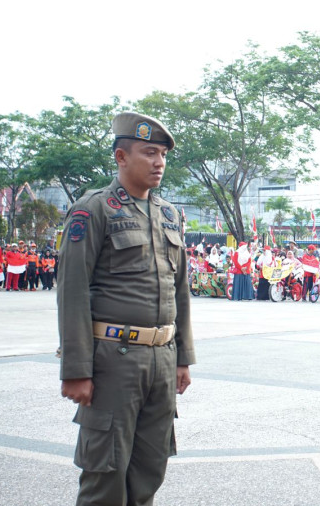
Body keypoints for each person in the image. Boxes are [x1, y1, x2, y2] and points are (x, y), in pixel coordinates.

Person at [58, 111, 195, 505]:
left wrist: (183, 357)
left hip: (162, 361)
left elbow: (179, 290)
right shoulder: (93, 209)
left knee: (149, 472)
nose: (158, 163)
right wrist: (76, 369)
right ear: (121, 157)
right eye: (149, 152)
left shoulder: (169, 214)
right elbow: (72, 292)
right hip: (114, 360)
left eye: (163, 155)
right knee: (106, 474)